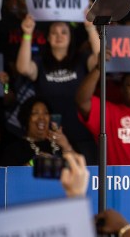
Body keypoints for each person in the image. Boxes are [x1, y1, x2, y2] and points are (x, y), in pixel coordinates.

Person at [16, 13, 100, 162]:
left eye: (63, 32)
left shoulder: (82, 59)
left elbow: (101, 59)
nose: (59, 35)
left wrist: (90, 28)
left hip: (82, 135)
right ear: (47, 38)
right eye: (54, 33)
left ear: (70, 36)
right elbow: (23, 68)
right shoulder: (41, 62)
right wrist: (27, 34)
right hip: (49, 138)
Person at [0, 96, 74, 165]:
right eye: (35, 113)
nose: (41, 118)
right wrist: (33, 162)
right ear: (26, 118)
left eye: (46, 113)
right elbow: (10, 177)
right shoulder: (15, 150)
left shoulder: (61, 141)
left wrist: (66, 146)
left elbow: (80, 169)